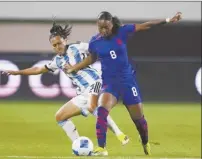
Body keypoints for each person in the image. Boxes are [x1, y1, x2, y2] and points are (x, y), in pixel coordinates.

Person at [65, 11, 182, 156]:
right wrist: (74, 67)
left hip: (128, 83)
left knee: (139, 122)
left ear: (112, 24)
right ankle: (102, 147)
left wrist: (168, 19)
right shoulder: (95, 42)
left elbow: (146, 26)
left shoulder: (122, 32)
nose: (103, 30)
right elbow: (91, 58)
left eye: (106, 27)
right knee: (101, 111)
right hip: (110, 85)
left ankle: (145, 141)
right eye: (100, 27)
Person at [2, 21, 130, 147]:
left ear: (65, 40)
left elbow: (96, 48)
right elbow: (38, 69)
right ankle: (79, 145)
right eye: (54, 45)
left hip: (95, 82)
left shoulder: (77, 47)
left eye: (59, 43)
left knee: (92, 107)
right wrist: (17, 72)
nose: (58, 46)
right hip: (82, 92)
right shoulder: (57, 61)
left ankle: (120, 135)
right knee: (60, 117)